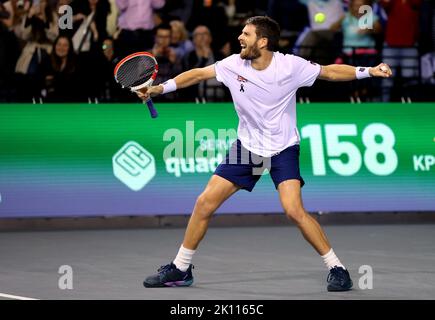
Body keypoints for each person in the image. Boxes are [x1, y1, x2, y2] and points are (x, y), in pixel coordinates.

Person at [136, 16, 392, 292]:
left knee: (294, 210)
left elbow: (329, 72)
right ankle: (181, 268)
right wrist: (160, 88)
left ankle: (337, 269)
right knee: (204, 203)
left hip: (283, 148)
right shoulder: (233, 64)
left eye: (246, 34)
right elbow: (198, 74)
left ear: (263, 41)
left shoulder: (290, 66)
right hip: (247, 147)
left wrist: (369, 71)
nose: (240, 38)